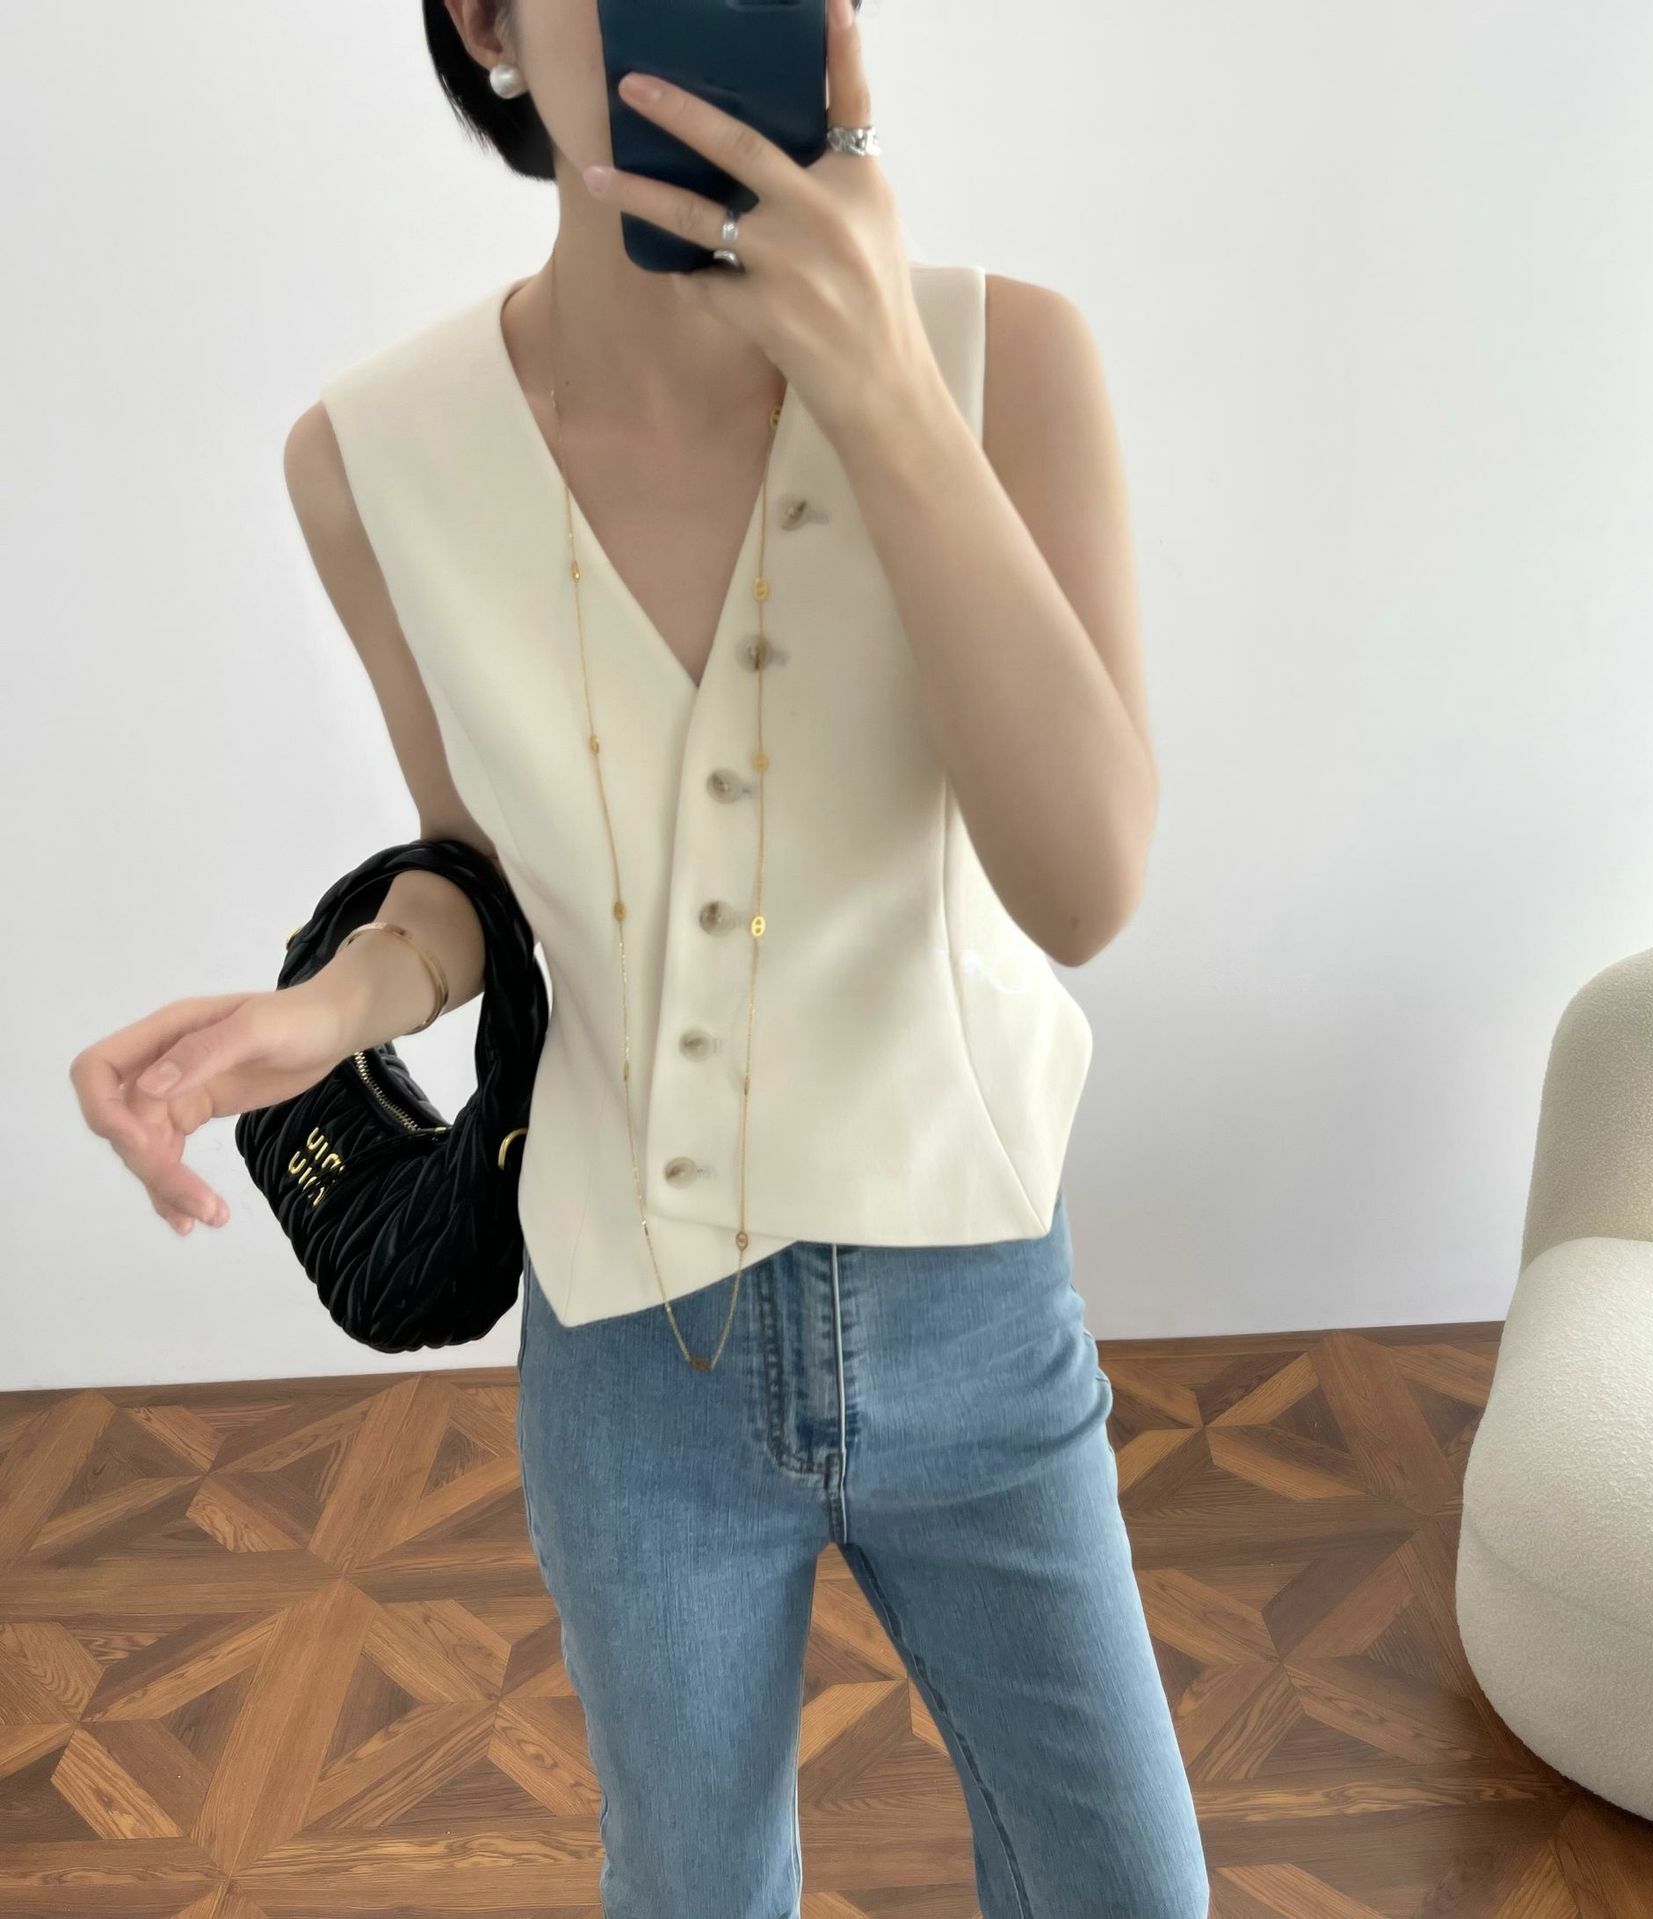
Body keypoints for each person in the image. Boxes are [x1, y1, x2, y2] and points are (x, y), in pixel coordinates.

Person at [70, 1, 1209, 1912]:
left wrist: (884, 395)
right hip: (629, 1357)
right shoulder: (371, 459)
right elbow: (480, 876)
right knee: (691, 1890)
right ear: (489, 21)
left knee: (1128, 1890)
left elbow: (1083, 887)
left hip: (977, 1311)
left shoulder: (1005, 361)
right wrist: (333, 1004)